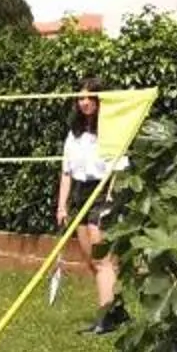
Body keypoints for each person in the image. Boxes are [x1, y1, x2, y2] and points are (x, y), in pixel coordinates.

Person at [54, 79, 126, 336]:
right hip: (81, 193)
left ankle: (106, 319)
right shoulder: (74, 133)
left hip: (104, 191)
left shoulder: (110, 129)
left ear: (99, 100)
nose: (84, 102)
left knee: (101, 256)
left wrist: (110, 195)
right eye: (80, 98)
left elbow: (119, 167)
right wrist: (62, 206)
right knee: (91, 260)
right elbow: (66, 172)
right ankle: (117, 311)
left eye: (89, 97)